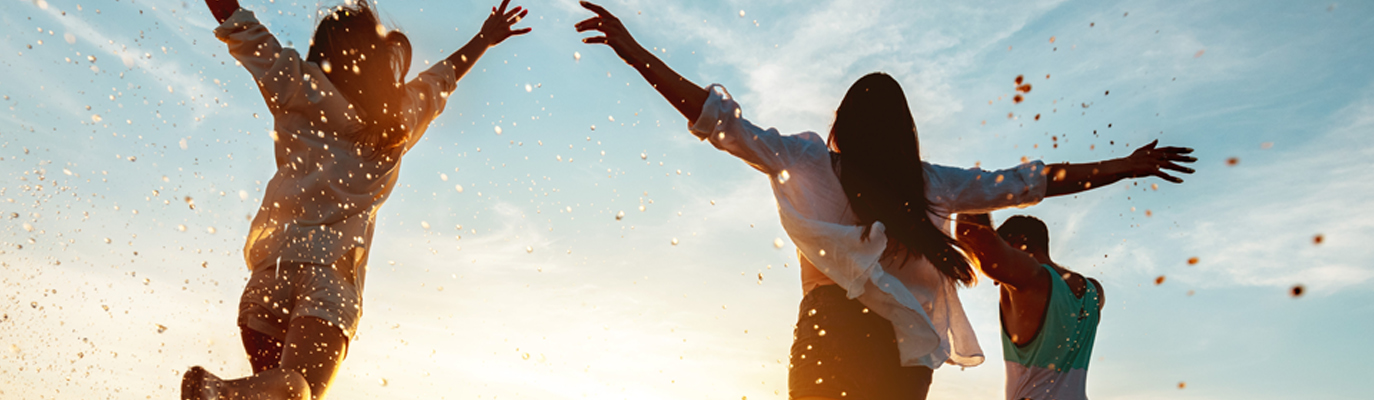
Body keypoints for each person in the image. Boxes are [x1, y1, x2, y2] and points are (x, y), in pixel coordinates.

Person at [573, 2, 1194, 400]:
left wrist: (634, 53)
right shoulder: (931, 183)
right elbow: (1030, 180)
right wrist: (1122, 167)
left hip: (829, 336)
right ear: (905, 130)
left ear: (842, 121)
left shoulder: (809, 159)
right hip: (905, 355)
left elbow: (717, 119)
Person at [181, 1, 530, 399]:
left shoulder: (297, 83)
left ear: (322, 48)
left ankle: (221, 394)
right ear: (380, 55)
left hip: (270, 274)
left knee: (272, 396)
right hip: (329, 279)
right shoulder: (396, 121)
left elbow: (241, 26)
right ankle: (217, 391)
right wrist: (485, 38)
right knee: (298, 390)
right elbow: (442, 79)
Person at [955, 214, 1103, 400]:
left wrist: (972, 187)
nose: (996, 279)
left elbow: (971, 234)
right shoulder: (1094, 292)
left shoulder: (1032, 279)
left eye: (1005, 249)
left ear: (1018, 243)